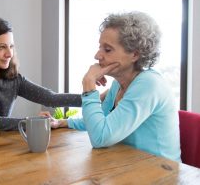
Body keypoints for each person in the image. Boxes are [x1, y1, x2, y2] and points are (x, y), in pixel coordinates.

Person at [42, 11, 181, 161]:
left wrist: (89, 84)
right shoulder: (119, 83)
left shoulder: (149, 84)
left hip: (161, 173)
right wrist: (62, 122)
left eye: (107, 49)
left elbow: (100, 137)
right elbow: (100, 121)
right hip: (130, 165)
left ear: (134, 54)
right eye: (100, 47)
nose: (97, 55)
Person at [0, 16, 81, 131]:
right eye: (1, 47)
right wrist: (34, 122)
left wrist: (94, 98)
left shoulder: (12, 77)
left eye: (11, 46)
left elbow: (51, 98)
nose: (9, 54)